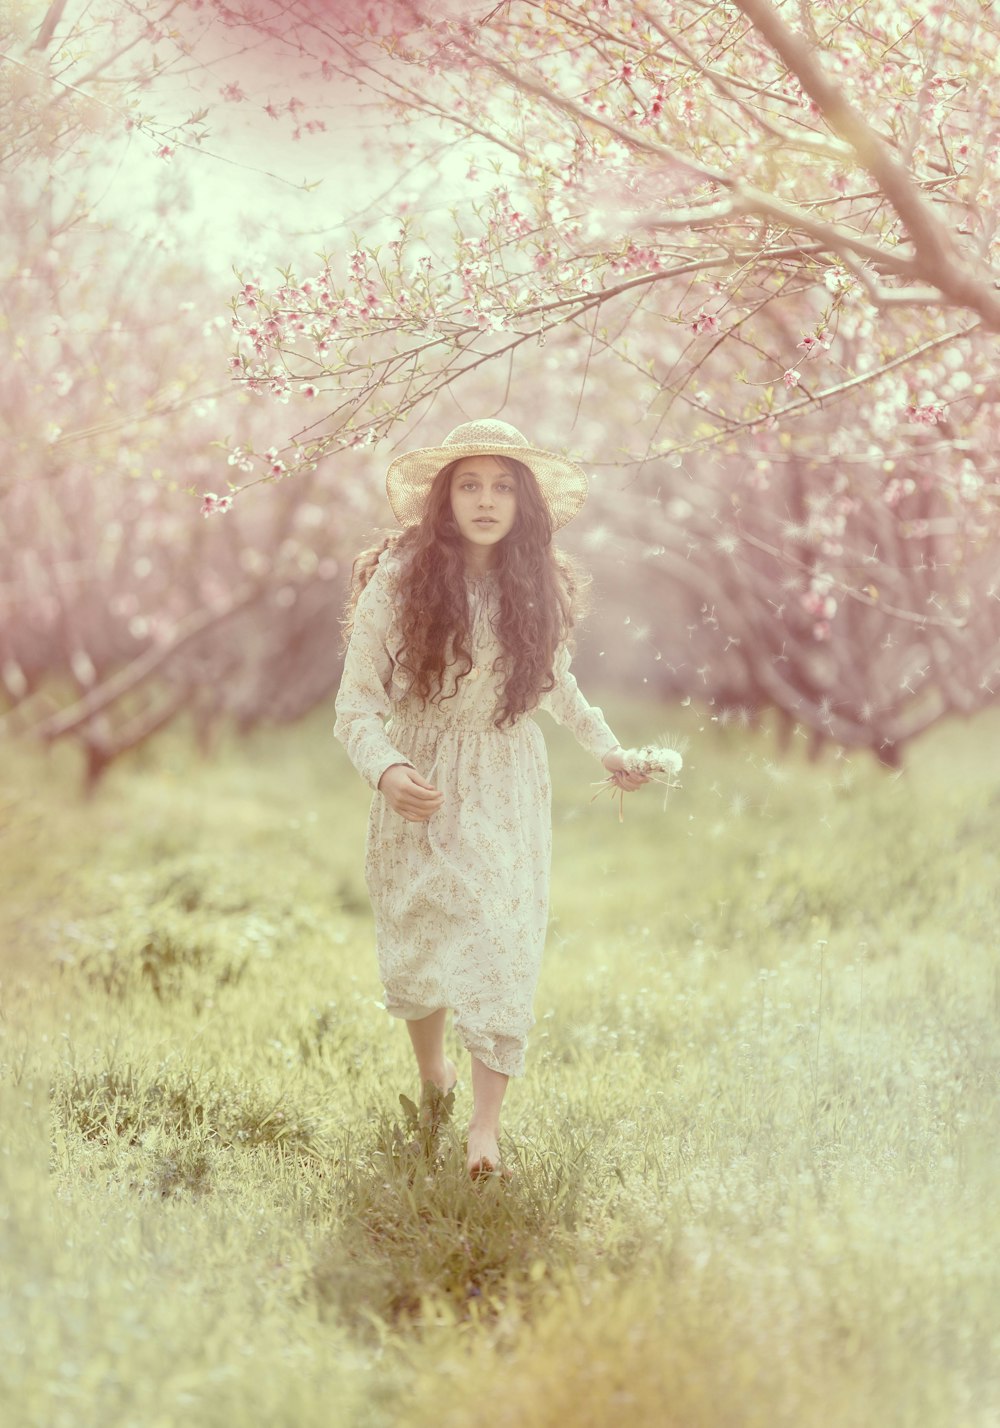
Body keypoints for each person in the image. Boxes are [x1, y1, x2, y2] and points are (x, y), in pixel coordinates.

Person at [334, 418, 648, 1179]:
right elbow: (355, 705)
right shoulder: (400, 580)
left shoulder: (534, 582)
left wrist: (609, 749)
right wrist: (387, 769)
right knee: (421, 940)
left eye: (502, 486)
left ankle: (484, 1131)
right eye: (469, 484)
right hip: (424, 775)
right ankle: (433, 1075)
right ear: (443, 498)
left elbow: (557, 687)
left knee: (498, 938)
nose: (485, 500)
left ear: (524, 501)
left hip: (506, 779)